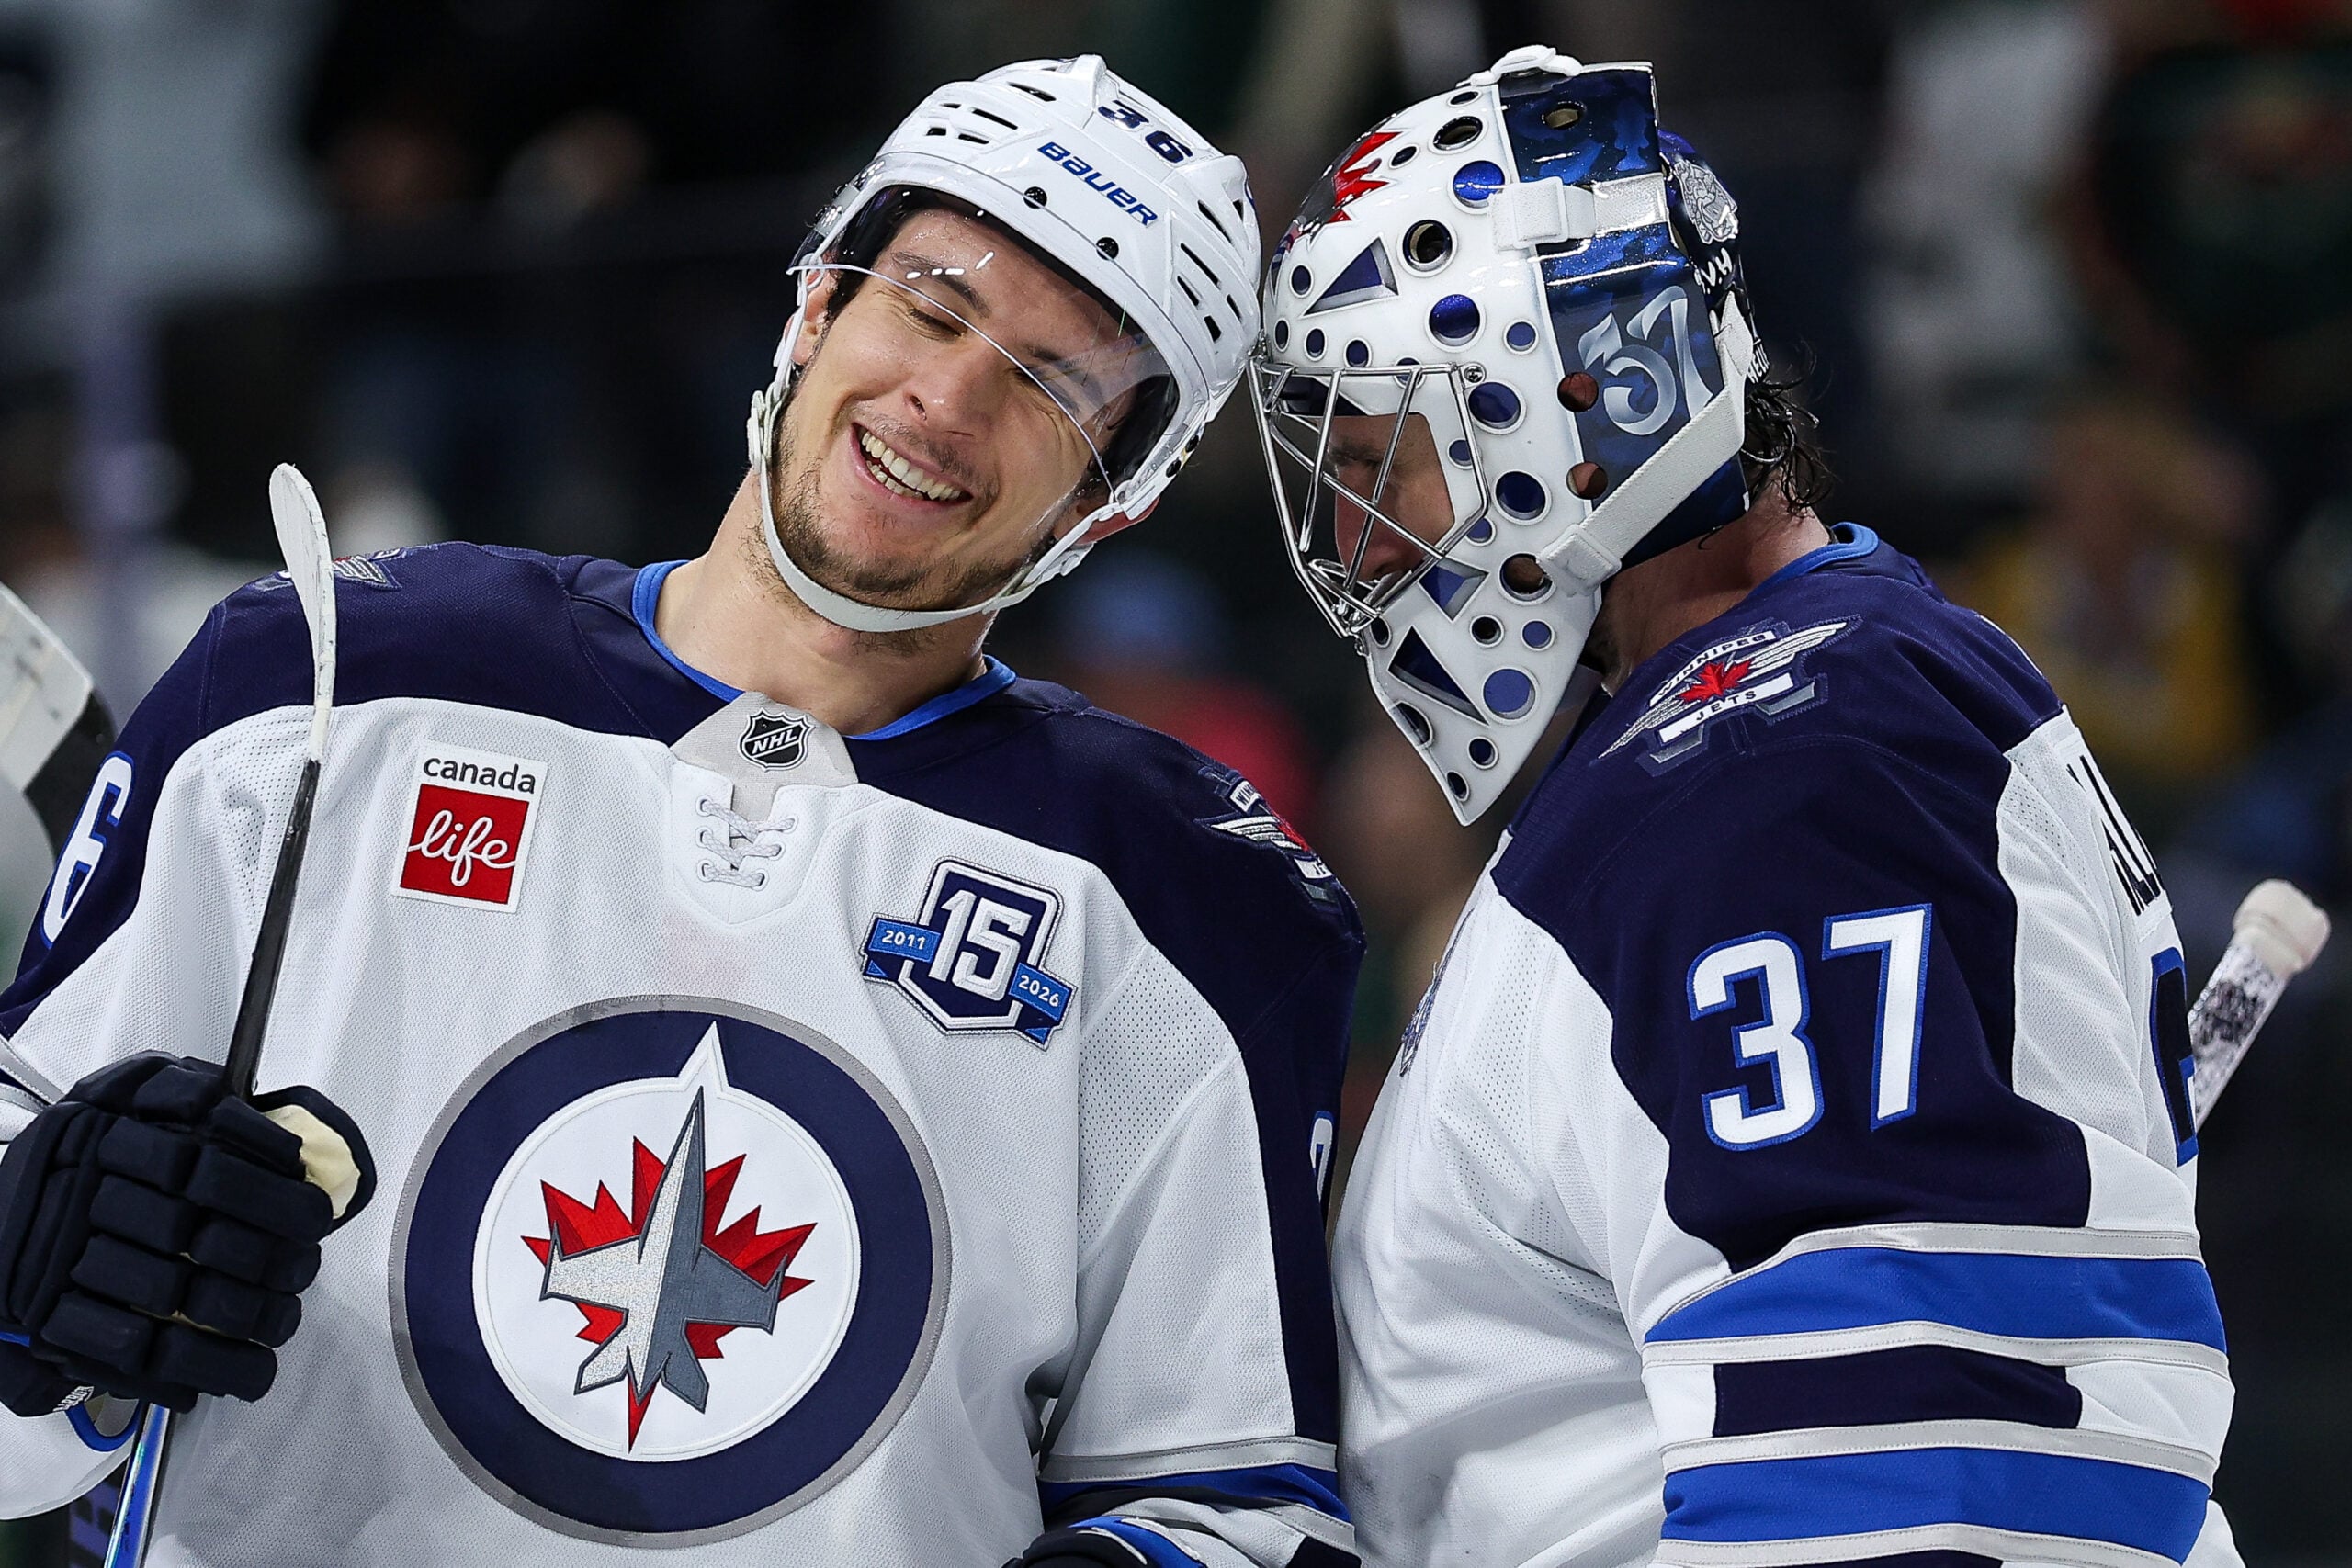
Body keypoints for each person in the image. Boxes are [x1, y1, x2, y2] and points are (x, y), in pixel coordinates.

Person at [0, 57, 1360, 1568]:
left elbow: (1235, 1504)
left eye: (1051, 383)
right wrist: (39, 1295)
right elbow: (26, 1345)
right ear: (816, 302)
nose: (949, 400)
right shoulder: (322, 676)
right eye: (929, 302)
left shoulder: (1188, 898)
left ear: (1121, 494)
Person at [1250, 44, 2239, 1568]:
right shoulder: (1795, 710)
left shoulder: (1770, 772)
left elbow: (1930, 1488)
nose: (1359, 547)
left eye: (1383, 468)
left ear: (1566, 412)